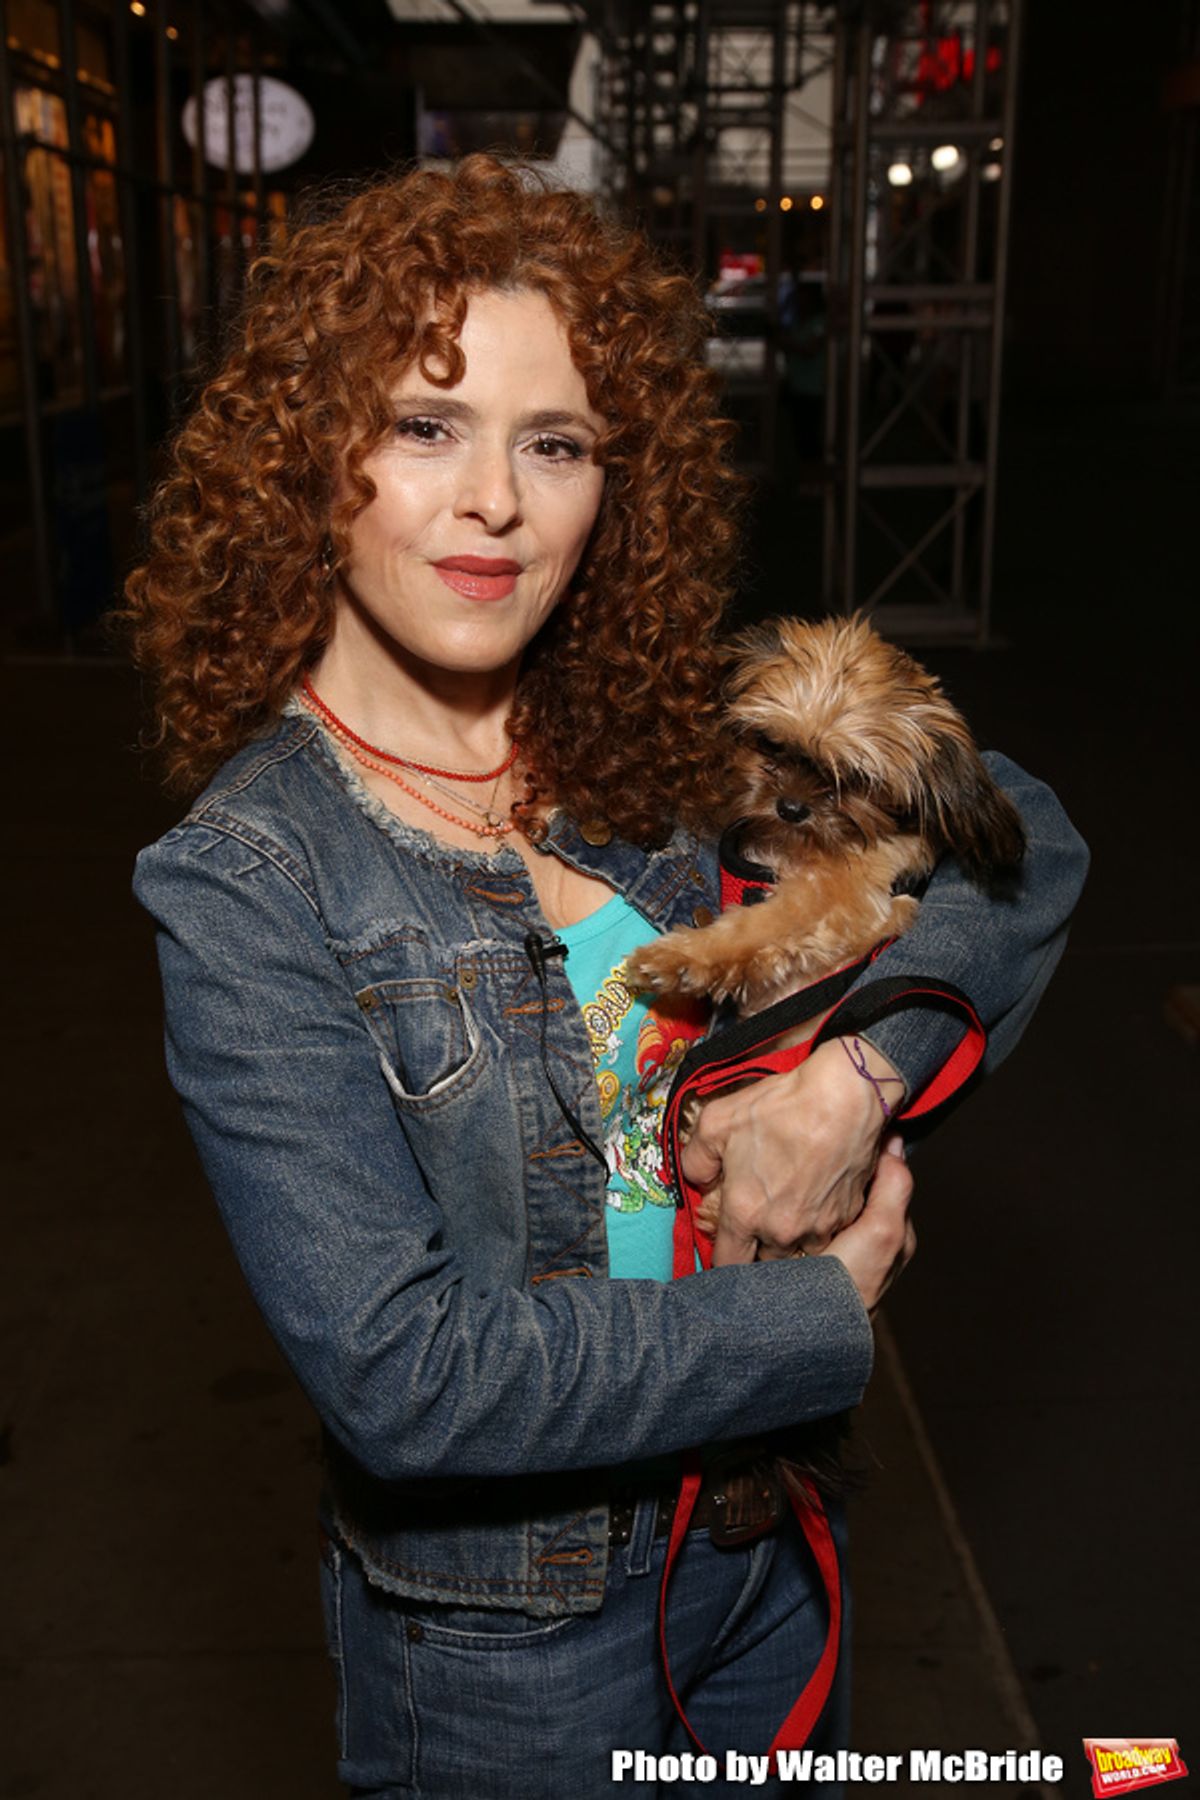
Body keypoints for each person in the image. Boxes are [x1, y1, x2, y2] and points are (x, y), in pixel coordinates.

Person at [128, 156, 1087, 1799]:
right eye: (428, 426)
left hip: (770, 1549)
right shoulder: (247, 883)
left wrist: (847, 1084)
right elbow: (411, 1381)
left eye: (553, 442)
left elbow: (1027, 842)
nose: (496, 498)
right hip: (512, 1650)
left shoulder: (647, 746)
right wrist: (816, 1313)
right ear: (312, 458)